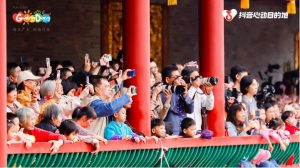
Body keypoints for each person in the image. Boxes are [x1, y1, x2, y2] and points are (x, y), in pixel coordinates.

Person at [161, 65, 194, 135]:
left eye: (180, 77)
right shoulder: (162, 93)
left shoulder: (181, 91)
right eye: (176, 77)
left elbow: (190, 110)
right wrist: (175, 89)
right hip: (171, 132)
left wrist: (185, 93)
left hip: (184, 131)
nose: (179, 79)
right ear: (167, 79)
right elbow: (173, 108)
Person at [182, 66, 214, 131]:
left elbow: (209, 107)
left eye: (198, 77)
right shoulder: (181, 90)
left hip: (197, 128)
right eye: (195, 77)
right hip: (186, 130)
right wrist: (193, 87)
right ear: (187, 78)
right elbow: (187, 102)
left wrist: (209, 93)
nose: (198, 79)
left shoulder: (198, 90)